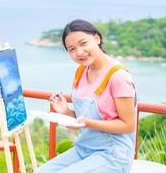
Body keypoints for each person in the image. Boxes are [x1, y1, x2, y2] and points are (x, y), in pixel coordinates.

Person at [36, 19, 137, 173]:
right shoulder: (81, 72)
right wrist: (66, 113)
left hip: (113, 154)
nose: (79, 53)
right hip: (85, 148)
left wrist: (86, 123)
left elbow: (128, 125)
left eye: (83, 43)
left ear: (97, 38)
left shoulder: (118, 77)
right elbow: (85, 118)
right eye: (71, 49)